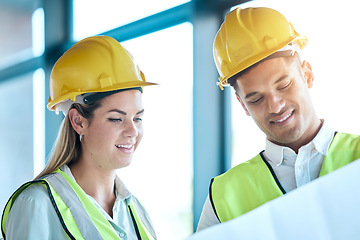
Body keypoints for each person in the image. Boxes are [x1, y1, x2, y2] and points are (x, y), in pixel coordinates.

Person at [197, 6, 360, 231]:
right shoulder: (223, 197)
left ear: (307, 74)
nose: (275, 106)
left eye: (284, 85)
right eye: (255, 99)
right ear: (242, 105)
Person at [1, 36, 158, 239]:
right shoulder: (37, 203)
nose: (132, 131)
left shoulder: (135, 210)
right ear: (78, 122)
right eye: (116, 119)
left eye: (137, 118)